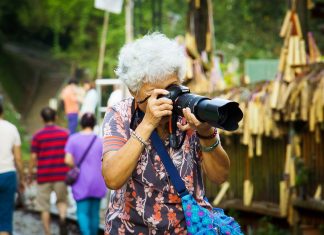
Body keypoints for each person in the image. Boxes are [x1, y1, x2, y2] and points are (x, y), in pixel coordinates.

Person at [101, 33, 230, 234]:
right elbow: (112, 178)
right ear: (134, 91)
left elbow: (220, 176)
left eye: (171, 88)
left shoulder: (189, 111)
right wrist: (147, 124)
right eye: (157, 93)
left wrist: (206, 133)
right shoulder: (121, 115)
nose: (168, 99)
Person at [28, 107, 69, 235]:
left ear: (42, 119)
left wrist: (30, 173)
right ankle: (62, 218)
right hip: (61, 174)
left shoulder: (37, 136)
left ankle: (48, 232)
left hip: (43, 175)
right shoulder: (65, 134)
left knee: (44, 206)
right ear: (55, 117)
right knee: (62, 201)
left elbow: (33, 157)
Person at [64, 113, 107, 235]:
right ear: (94, 124)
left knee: (82, 213)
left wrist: (76, 166)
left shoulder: (73, 139)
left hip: (81, 181)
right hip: (98, 181)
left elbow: (67, 160)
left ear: (81, 124)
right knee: (94, 214)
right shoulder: (101, 141)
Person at [0, 101, 25, 235]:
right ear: (2, 110)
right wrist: (21, 178)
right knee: (4, 217)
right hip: (7, 174)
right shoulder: (11, 128)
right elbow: (18, 158)